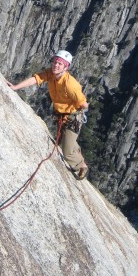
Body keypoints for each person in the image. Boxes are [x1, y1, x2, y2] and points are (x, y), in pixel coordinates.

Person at [7, 50, 89, 180]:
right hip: (60, 114)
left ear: (66, 67)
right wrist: (16, 87)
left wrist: (78, 115)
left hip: (73, 117)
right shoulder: (50, 74)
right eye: (55, 62)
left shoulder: (70, 85)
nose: (56, 65)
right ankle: (78, 155)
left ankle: (81, 166)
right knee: (67, 141)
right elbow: (35, 79)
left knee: (66, 152)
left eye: (60, 64)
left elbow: (84, 105)